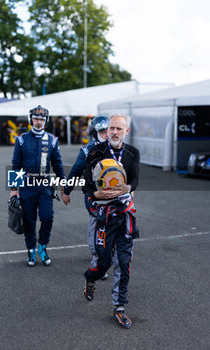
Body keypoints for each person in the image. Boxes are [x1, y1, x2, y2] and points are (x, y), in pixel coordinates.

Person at [83, 114, 140, 329]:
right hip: (103, 217)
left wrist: (128, 188)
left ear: (127, 131)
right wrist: (96, 196)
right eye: (111, 128)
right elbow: (86, 186)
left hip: (125, 215)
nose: (114, 132)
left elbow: (135, 179)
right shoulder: (95, 152)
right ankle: (90, 277)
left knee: (124, 264)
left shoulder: (133, 153)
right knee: (103, 263)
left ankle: (119, 307)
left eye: (119, 128)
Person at [10, 105, 65, 267]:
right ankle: (31, 251)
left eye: (41, 119)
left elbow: (58, 164)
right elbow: (16, 165)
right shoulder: (21, 139)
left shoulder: (52, 140)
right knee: (29, 220)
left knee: (47, 217)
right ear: (30, 119)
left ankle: (42, 247)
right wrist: (14, 190)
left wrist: (63, 185)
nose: (38, 122)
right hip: (27, 186)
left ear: (46, 121)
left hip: (45, 186)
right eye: (36, 118)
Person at [61, 115, 110, 280]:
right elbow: (75, 172)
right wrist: (66, 191)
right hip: (92, 196)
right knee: (97, 224)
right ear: (95, 132)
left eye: (108, 130)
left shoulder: (116, 148)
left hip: (113, 195)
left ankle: (108, 256)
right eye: (102, 131)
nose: (106, 134)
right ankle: (97, 260)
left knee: (113, 226)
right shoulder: (86, 150)